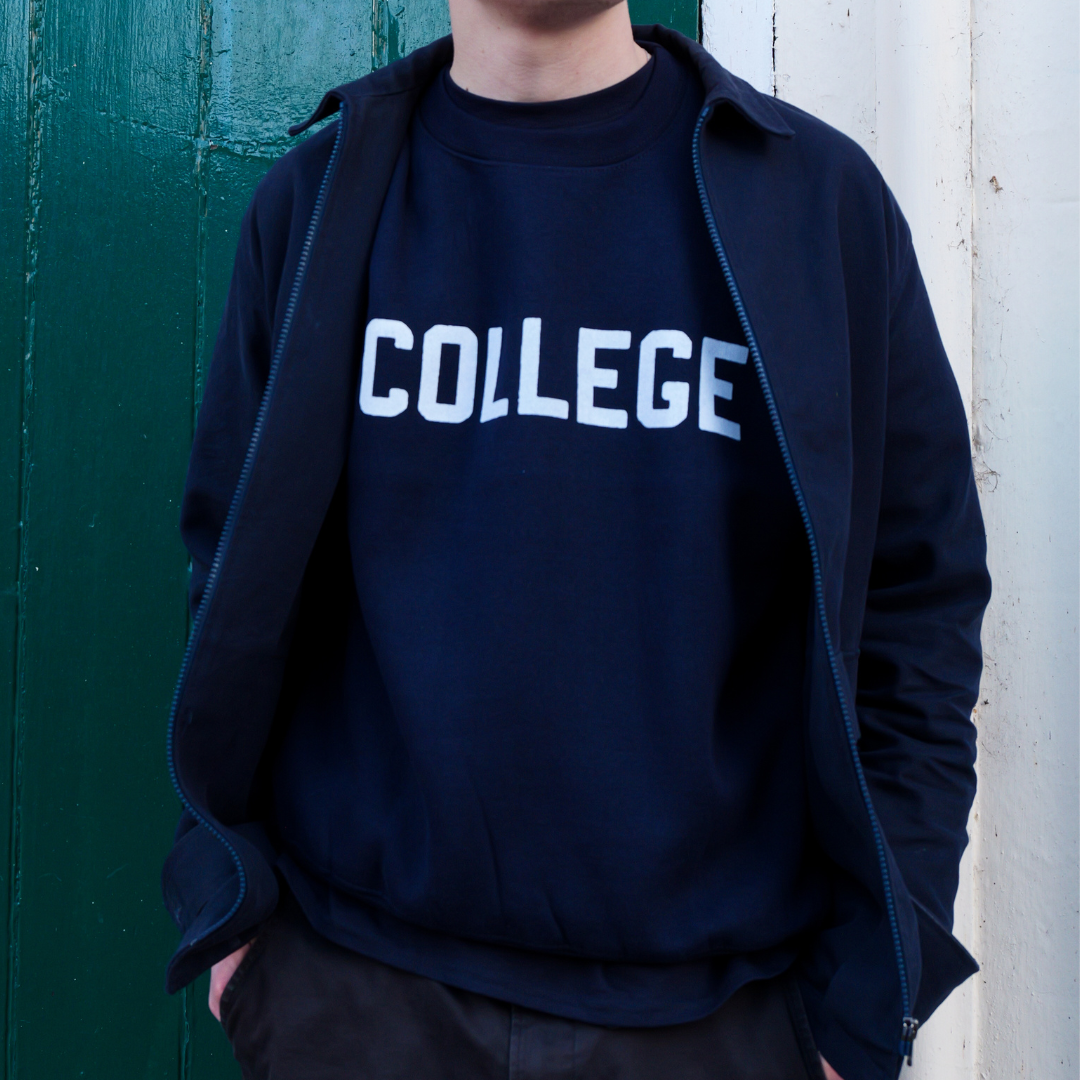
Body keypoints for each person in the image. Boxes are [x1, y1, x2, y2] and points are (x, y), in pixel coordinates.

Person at [159, 0, 991, 1075]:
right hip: (352, 993)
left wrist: (871, 996)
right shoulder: (315, 203)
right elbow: (228, 573)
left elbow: (917, 604)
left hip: (724, 1021)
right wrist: (232, 915)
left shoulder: (819, 206)